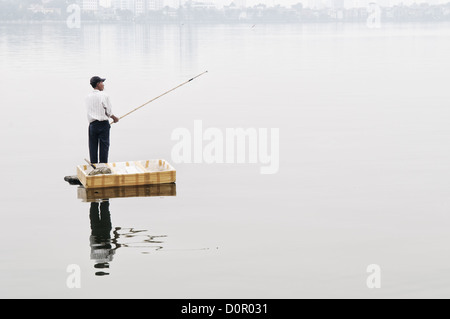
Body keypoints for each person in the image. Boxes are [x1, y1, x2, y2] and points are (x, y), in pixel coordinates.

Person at [86, 76, 119, 164]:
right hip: (103, 124)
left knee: (93, 146)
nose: (103, 85)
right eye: (102, 82)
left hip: (92, 125)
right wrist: (114, 118)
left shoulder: (88, 97)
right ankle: (103, 166)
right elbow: (108, 110)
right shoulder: (104, 95)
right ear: (97, 84)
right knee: (104, 146)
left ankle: (94, 166)